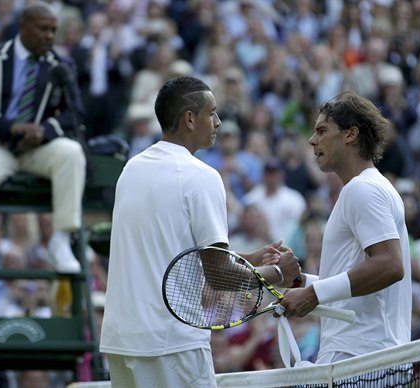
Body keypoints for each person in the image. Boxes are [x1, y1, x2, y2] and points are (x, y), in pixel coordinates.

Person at [100, 75, 300, 388]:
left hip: (121, 341)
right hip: (171, 344)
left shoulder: (131, 169)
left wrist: (248, 258)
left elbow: (177, 254)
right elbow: (218, 274)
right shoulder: (201, 176)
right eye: (212, 113)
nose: (218, 122)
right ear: (190, 119)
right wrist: (276, 272)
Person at [277, 90, 413, 363]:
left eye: (322, 130)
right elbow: (357, 283)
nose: (312, 140)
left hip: (361, 359)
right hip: (364, 356)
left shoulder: (363, 189)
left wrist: (313, 294)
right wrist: (301, 282)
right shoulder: (367, 187)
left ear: (350, 135)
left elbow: (389, 265)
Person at [0, 1, 85, 273]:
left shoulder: (61, 64)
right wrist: (10, 127)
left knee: (71, 153)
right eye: (43, 29)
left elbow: (75, 112)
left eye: (54, 30)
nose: (50, 36)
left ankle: (60, 240)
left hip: (39, 147)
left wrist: (43, 131)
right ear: (23, 27)